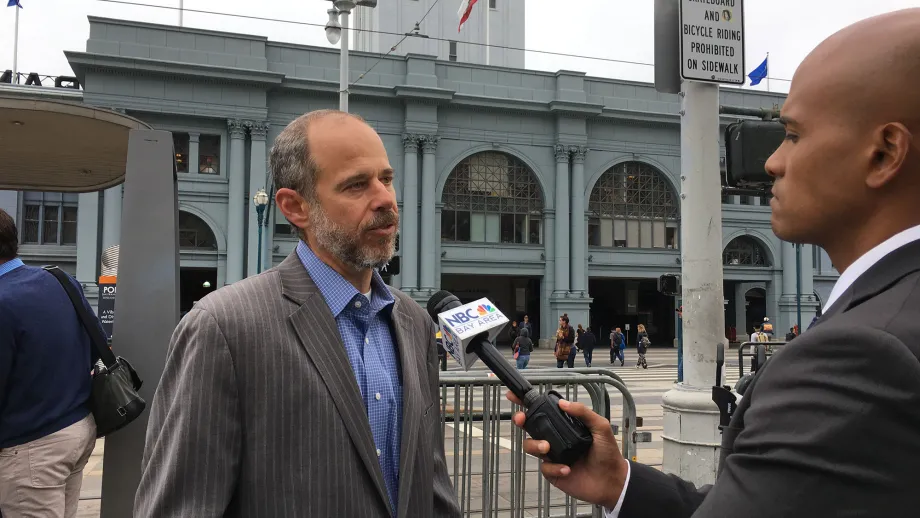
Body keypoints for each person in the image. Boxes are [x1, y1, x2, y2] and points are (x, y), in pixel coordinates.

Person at [507, 9, 920, 517]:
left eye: (793, 134)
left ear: (884, 154)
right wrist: (621, 483)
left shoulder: (859, 357)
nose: (772, 162)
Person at [135, 110, 461, 517]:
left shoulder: (412, 321)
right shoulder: (224, 328)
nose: (385, 199)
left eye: (387, 178)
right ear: (296, 207)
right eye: (357, 185)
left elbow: (431, 486)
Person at [0, 209, 100, 517]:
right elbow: (96, 346)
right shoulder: (61, 280)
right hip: (77, 428)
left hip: (32, 447)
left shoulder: (3, 302)